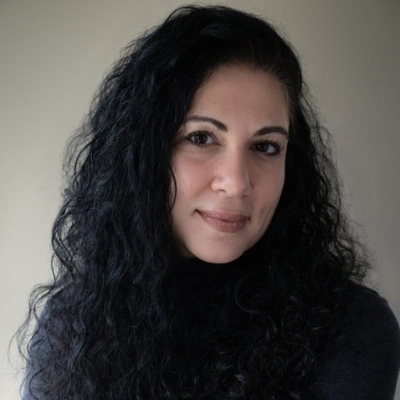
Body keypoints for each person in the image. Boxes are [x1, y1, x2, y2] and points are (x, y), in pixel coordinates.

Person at [18, 5, 400, 400]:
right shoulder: (71, 324)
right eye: (201, 138)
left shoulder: (351, 329)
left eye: (266, 147)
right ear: (143, 154)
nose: (236, 183)